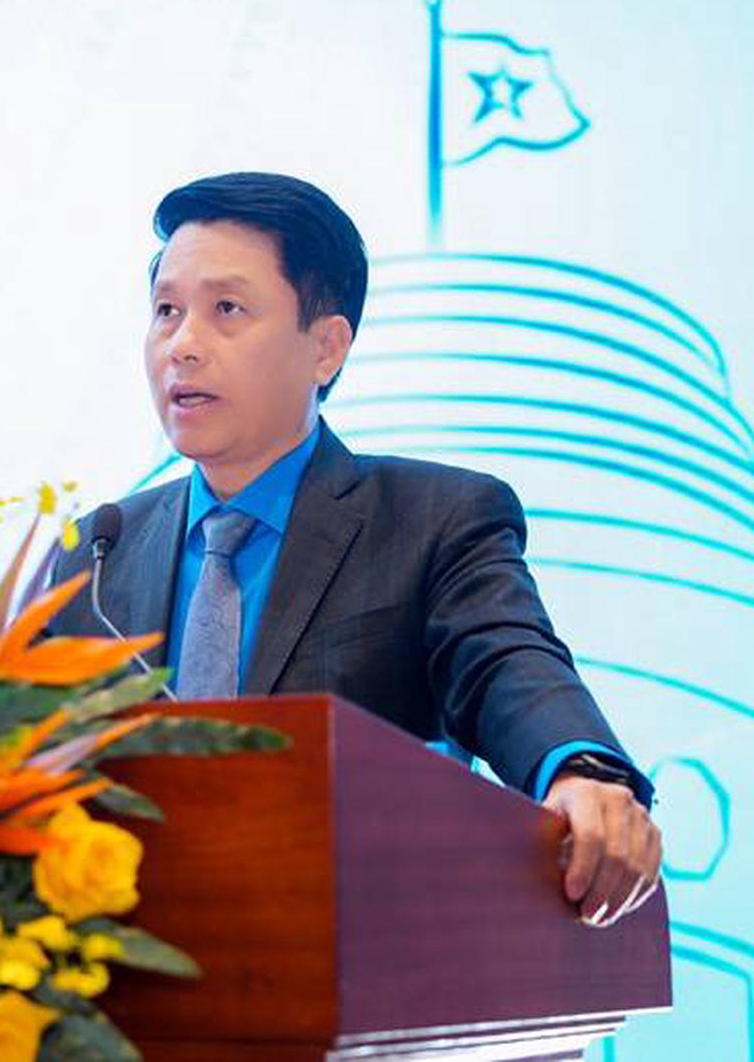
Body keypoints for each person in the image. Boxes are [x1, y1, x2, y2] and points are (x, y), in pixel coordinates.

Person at [45, 171, 662, 928]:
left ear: (326, 347)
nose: (183, 345)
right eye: (166, 311)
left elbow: (505, 661)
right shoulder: (97, 554)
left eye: (226, 310)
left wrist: (579, 768)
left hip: (357, 954)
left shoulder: (433, 521)